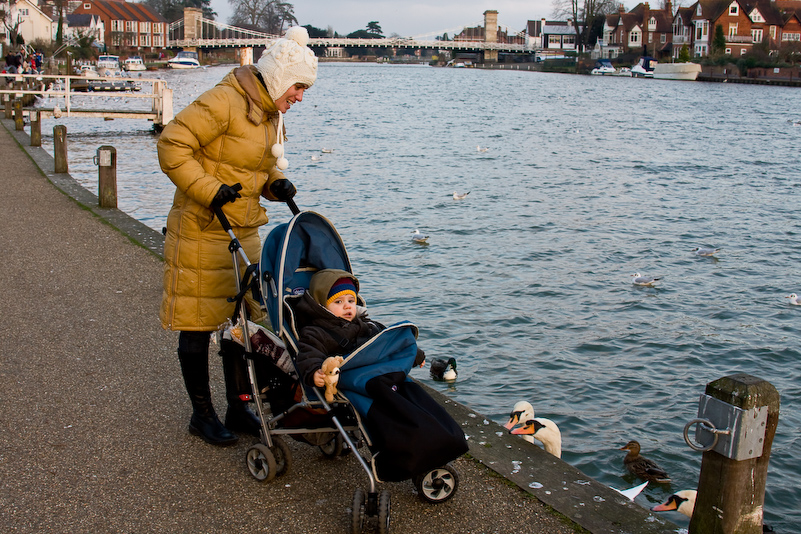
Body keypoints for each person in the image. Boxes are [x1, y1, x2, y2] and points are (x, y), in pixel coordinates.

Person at [156, 27, 318, 446]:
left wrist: (275, 184)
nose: (301, 96)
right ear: (281, 79)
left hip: (243, 230)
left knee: (241, 325)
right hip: (203, 230)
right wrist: (210, 190)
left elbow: (256, 167)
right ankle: (202, 415)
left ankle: (237, 405)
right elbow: (173, 144)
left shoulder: (267, 113)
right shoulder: (226, 100)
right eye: (299, 86)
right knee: (196, 325)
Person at [294, 269, 426, 389]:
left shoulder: (367, 325)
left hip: (380, 375)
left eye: (351, 301)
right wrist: (314, 372)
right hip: (352, 383)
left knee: (415, 392)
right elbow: (309, 356)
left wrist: (415, 354)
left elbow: (389, 343)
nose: (347, 306)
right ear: (321, 306)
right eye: (338, 302)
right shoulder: (316, 332)